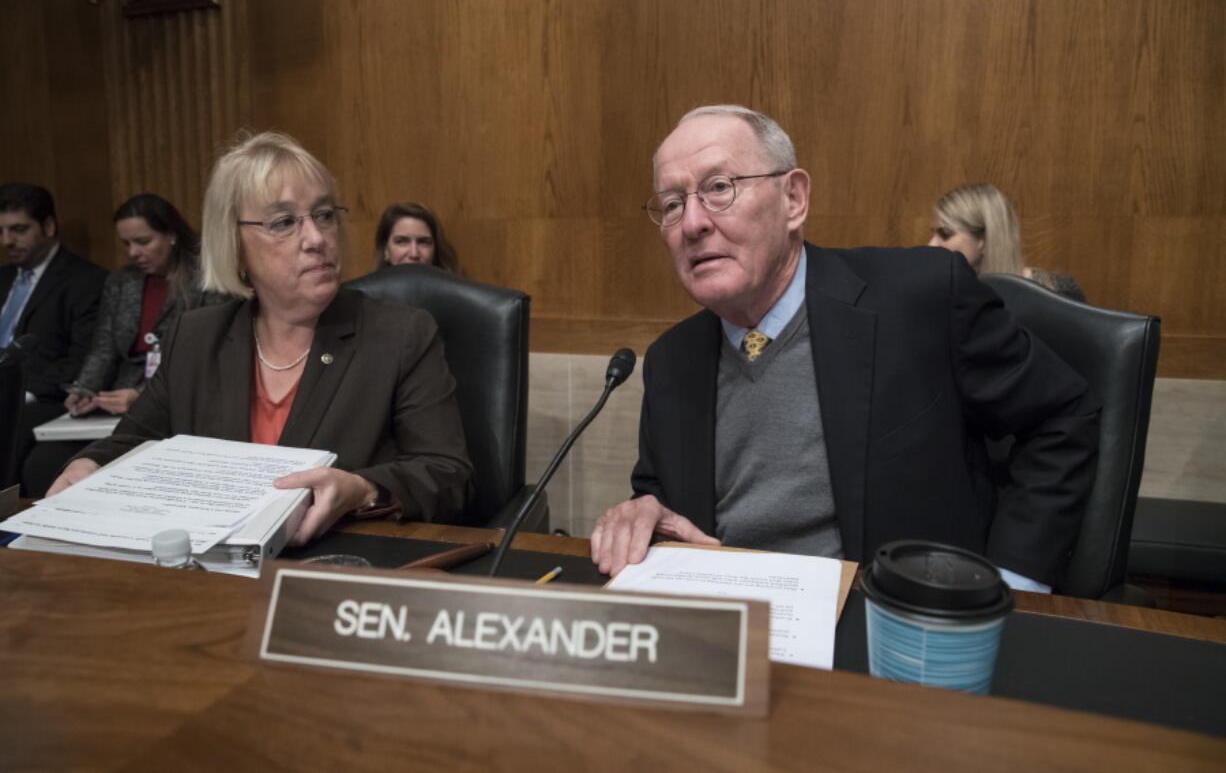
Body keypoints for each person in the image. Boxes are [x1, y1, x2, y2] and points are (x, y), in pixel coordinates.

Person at [590, 106, 1099, 593]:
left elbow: (1062, 419)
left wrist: (1013, 584)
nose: (693, 222)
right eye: (674, 203)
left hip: (886, 626)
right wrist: (643, 511)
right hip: (727, 633)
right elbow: (659, 495)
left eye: (719, 188)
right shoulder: (670, 361)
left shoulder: (920, 298)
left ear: (793, 200)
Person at [48, 133, 473, 543]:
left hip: (332, 570)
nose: (316, 238)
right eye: (284, 222)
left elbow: (448, 475)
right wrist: (90, 463)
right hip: (211, 574)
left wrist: (363, 489)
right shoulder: (197, 336)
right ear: (234, 246)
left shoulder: (398, 334)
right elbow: (133, 441)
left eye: (324, 215)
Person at [20, 194, 220, 497]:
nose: (133, 252)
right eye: (126, 244)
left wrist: (141, 397)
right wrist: (83, 390)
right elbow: (103, 348)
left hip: (175, 397)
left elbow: (207, 358)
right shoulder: (121, 281)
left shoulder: (208, 279)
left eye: (143, 241)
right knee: (42, 463)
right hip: (115, 401)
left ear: (172, 235)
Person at [0, 183, 107, 477]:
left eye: (18, 230)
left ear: (48, 226)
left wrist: (19, 392)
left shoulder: (87, 281)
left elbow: (81, 360)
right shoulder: (3, 278)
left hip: (41, 398)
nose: (7, 240)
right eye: (2, 231)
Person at [929, 183, 1086, 302]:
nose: (931, 244)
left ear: (985, 239)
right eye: (934, 233)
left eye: (945, 234)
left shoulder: (1057, 294)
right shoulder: (939, 293)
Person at [373, 202, 464, 273]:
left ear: (436, 249)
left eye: (423, 242)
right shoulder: (364, 295)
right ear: (385, 249)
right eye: (401, 241)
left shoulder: (462, 295)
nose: (414, 254)